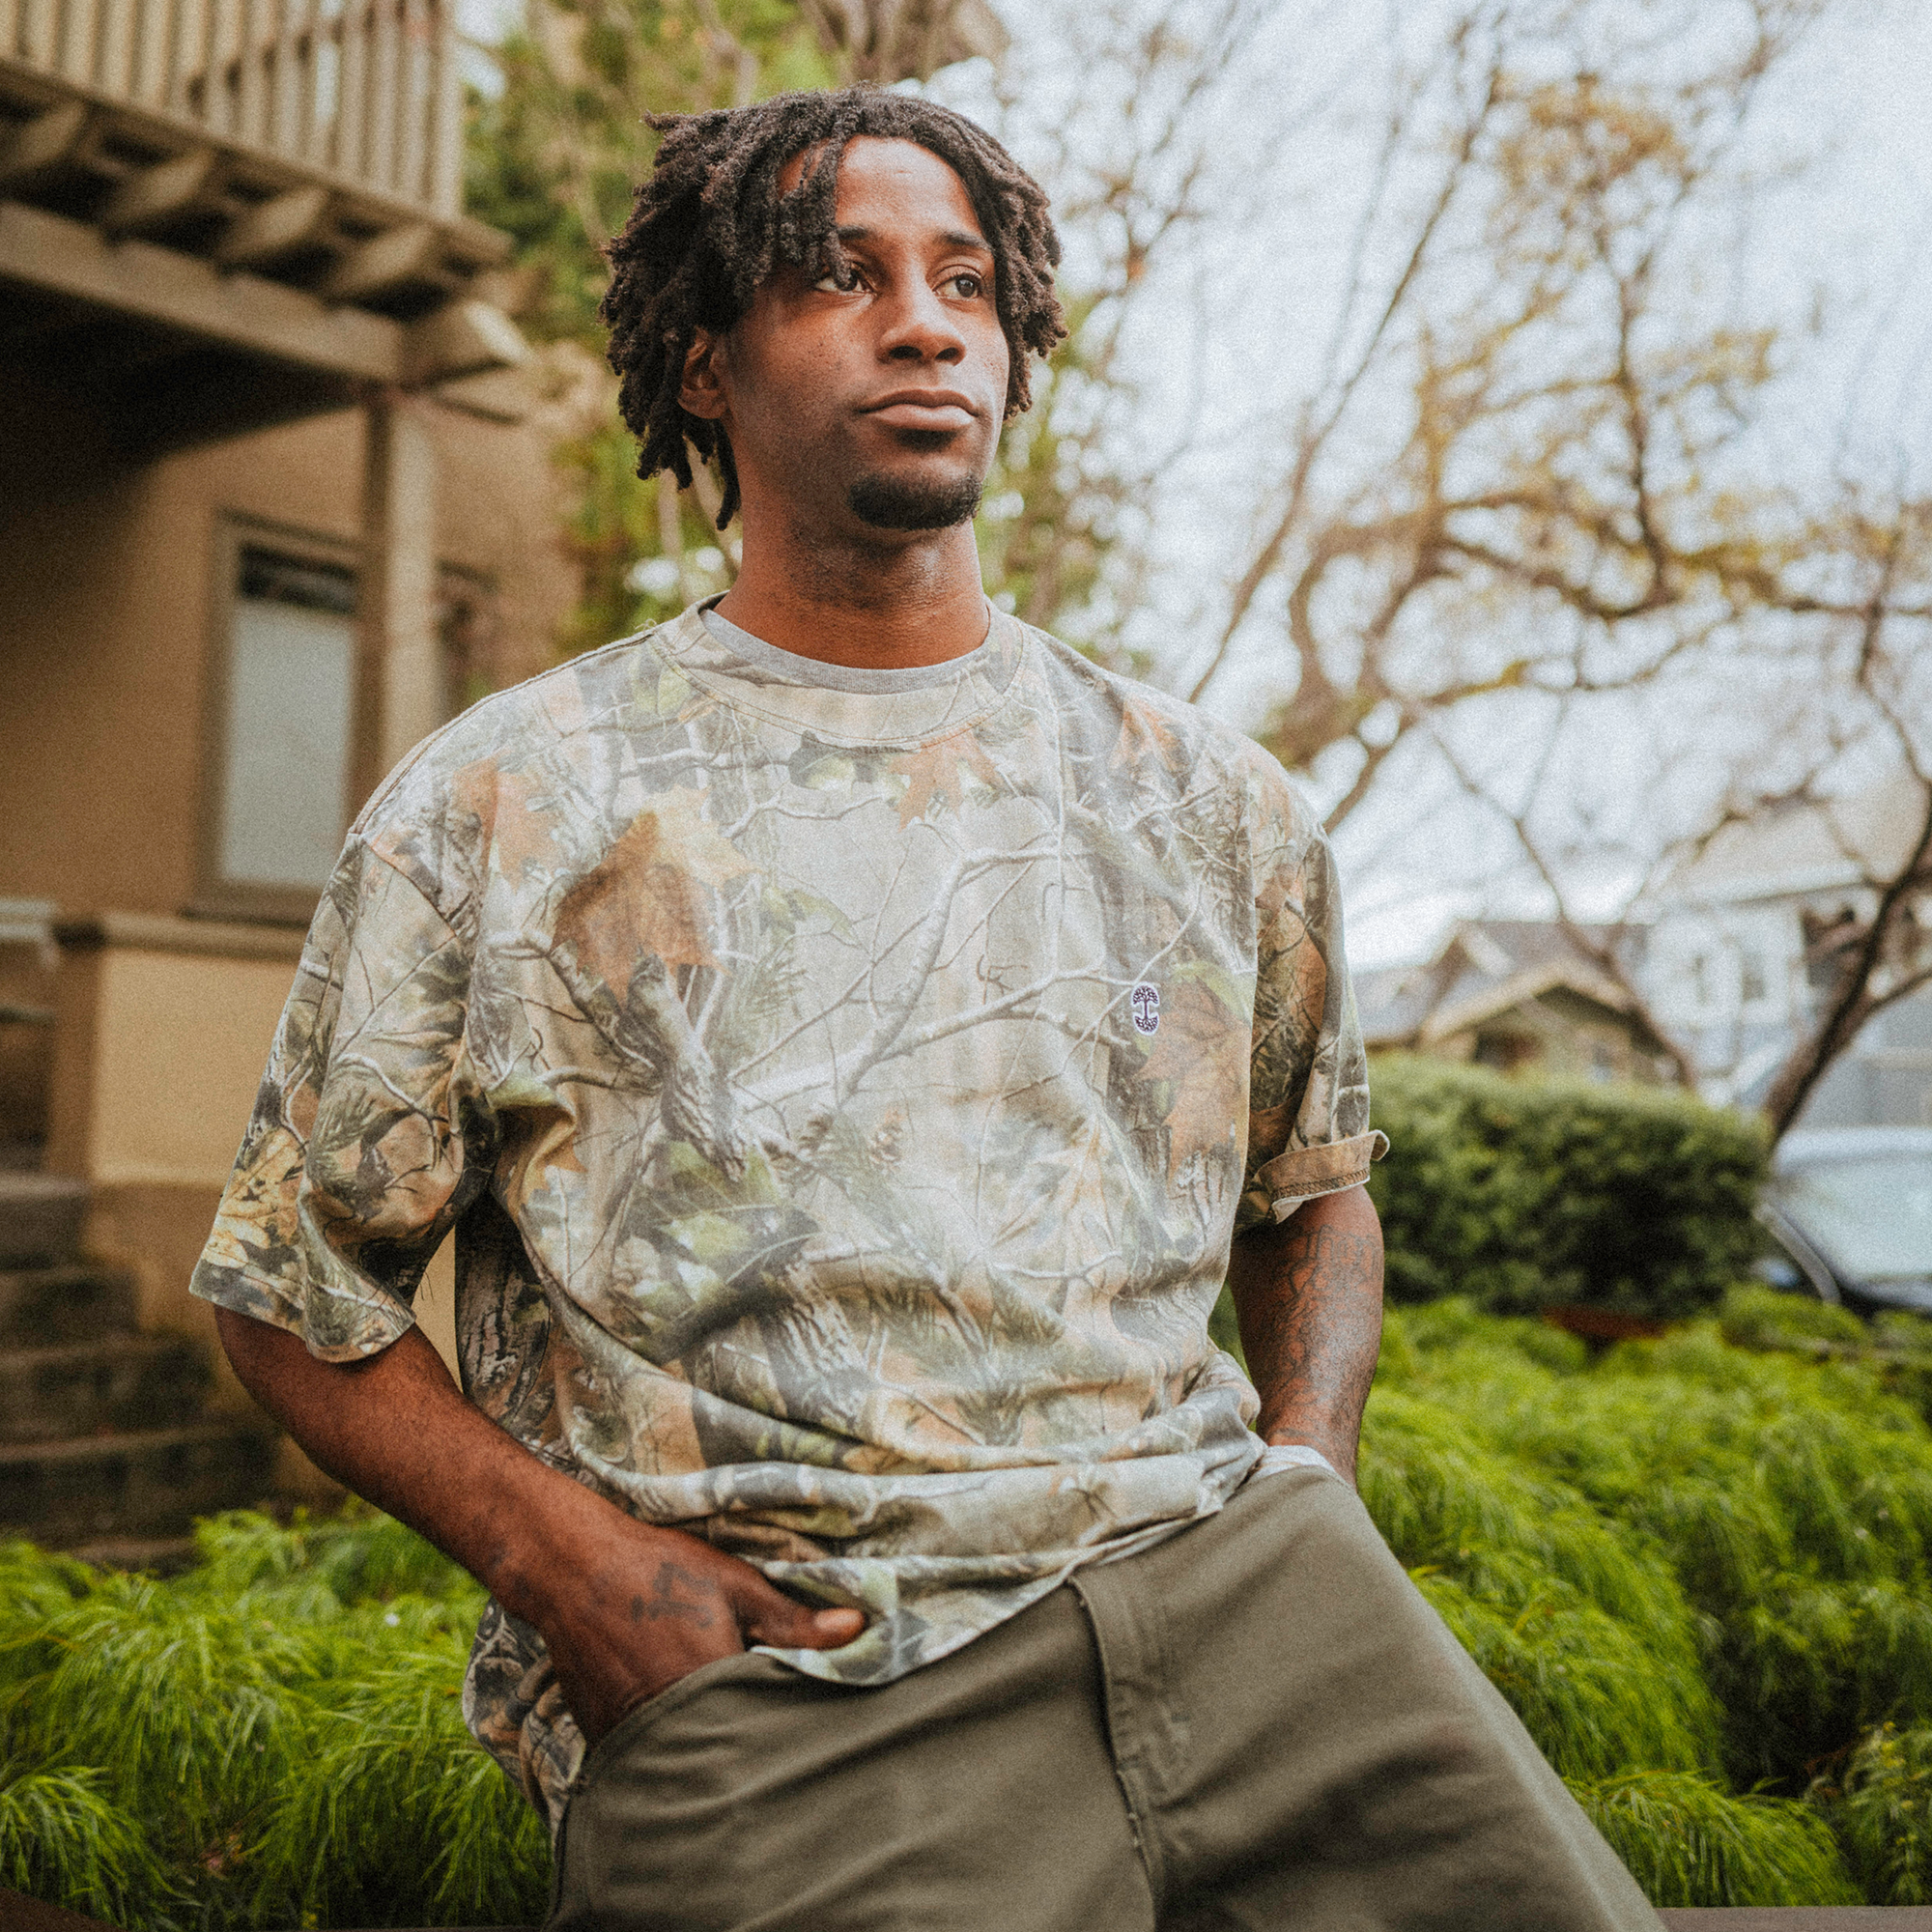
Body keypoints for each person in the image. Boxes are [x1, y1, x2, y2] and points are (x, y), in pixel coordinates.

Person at [195, 87, 1663, 1932]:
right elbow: (288, 1288)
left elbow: (1313, 1188)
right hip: (813, 1674)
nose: (923, 319)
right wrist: (563, 1559)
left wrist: (1309, 1470)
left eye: (965, 281)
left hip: (1253, 1605)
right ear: (706, 364)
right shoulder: (510, 804)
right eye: (842, 277)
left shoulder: (1209, 799)